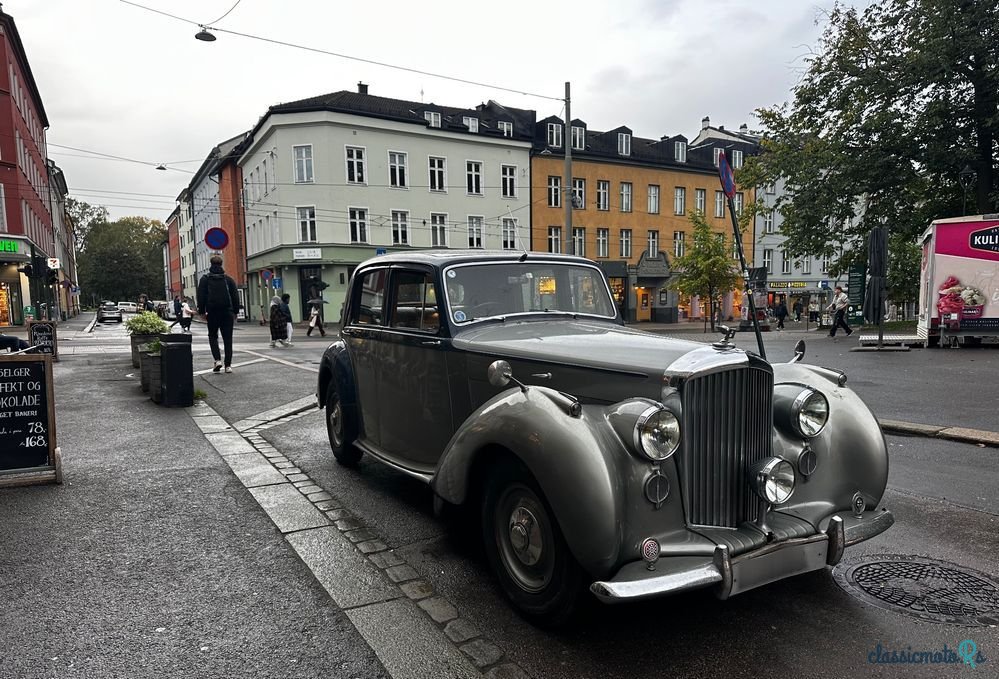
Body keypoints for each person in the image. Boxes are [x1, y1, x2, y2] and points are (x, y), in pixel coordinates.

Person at [197, 254, 240, 373]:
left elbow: (201, 296)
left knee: (212, 336)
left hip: (212, 312)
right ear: (221, 264)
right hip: (227, 312)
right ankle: (228, 366)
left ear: (211, 265)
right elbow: (235, 297)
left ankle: (217, 360)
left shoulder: (205, 279)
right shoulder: (228, 279)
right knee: (228, 339)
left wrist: (202, 312)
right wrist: (235, 311)